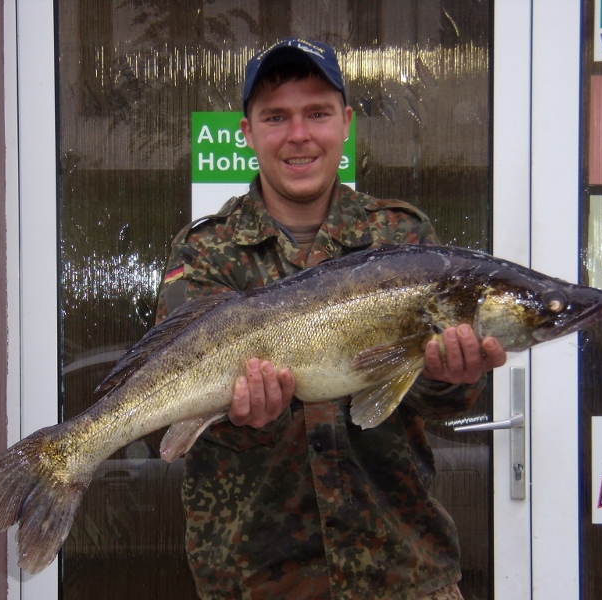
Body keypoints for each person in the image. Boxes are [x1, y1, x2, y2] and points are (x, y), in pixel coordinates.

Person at [156, 38, 507, 600]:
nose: (299, 135)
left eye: (317, 113)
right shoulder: (203, 252)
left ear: (345, 123)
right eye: (276, 117)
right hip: (256, 580)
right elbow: (187, 406)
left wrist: (451, 375)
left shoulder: (402, 239)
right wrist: (245, 414)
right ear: (247, 133)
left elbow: (436, 402)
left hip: (404, 570)